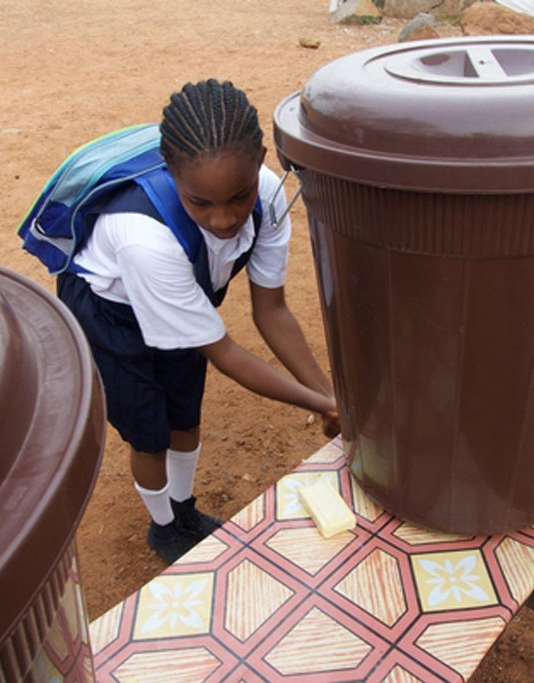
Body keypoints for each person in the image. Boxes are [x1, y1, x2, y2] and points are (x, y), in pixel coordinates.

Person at [56, 79, 339, 564]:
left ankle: (183, 509)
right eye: (200, 203)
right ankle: (164, 528)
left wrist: (331, 400)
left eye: (238, 196)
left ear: (261, 163)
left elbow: (271, 310)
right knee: (150, 433)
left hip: (184, 299)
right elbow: (224, 351)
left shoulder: (269, 198)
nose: (225, 219)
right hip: (111, 315)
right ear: (170, 175)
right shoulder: (143, 239)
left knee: (185, 415)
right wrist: (321, 403)